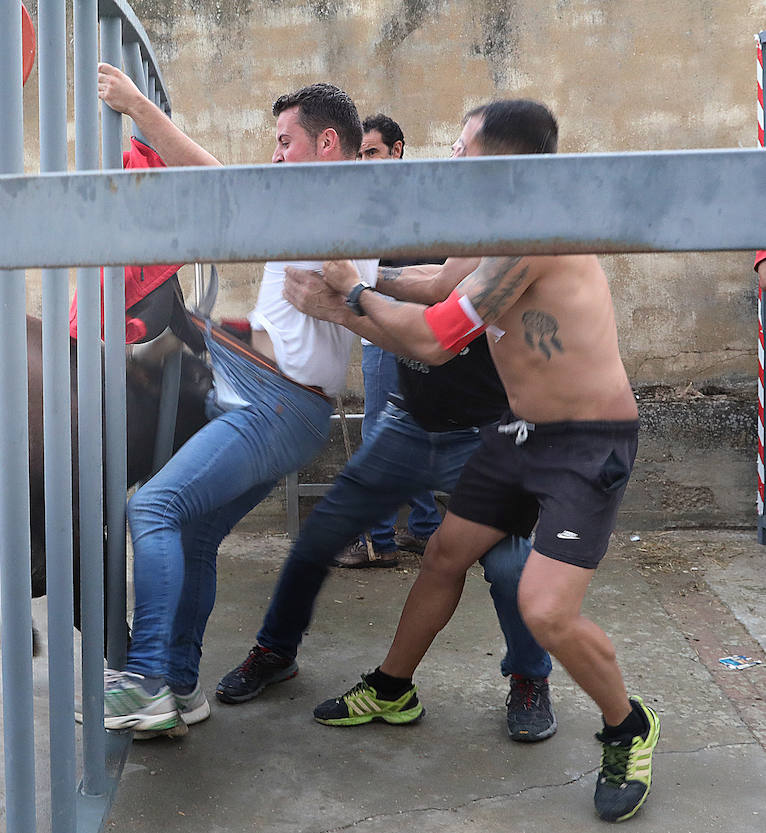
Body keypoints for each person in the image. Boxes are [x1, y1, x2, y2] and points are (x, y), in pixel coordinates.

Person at [296, 100, 659, 823]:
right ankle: (394, 687)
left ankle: (628, 725)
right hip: (521, 430)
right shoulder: (497, 227)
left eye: (462, 149)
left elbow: (435, 338)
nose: (452, 161)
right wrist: (368, 284)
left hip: (587, 442)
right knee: (443, 554)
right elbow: (435, 284)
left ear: (500, 161)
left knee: (545, 607)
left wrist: (352, 297)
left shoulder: (534, 235)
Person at [94, 61, 375, 736]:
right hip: (278, 401)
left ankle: (149, 680)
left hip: (272, 404)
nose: (275, 154)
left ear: (325, 144)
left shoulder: (322, 201)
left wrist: (137, 107)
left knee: (153, 507)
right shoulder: (340, 205)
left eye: (285, 140)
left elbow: (211, 174)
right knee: (195, 532)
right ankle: (182, 687)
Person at [215, 265, 558, 742]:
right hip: (410, 423)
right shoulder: (390, 227)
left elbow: (437, 329)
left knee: (508, 566)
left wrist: (349, 297)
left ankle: (529, 676)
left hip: (488, 432)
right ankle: (275, 650)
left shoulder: (494, 243)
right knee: (321, 535)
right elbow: (391, 302)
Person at [335, 113, 443, 568]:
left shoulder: (407, 202)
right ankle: (423, 527)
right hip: (403, 325)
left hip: (401, 326)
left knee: (382, 431)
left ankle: (378, 540)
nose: (364, 162)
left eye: (372, 152)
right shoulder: (401, 198)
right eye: (359, 155)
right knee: (405, 428)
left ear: (397, 149)